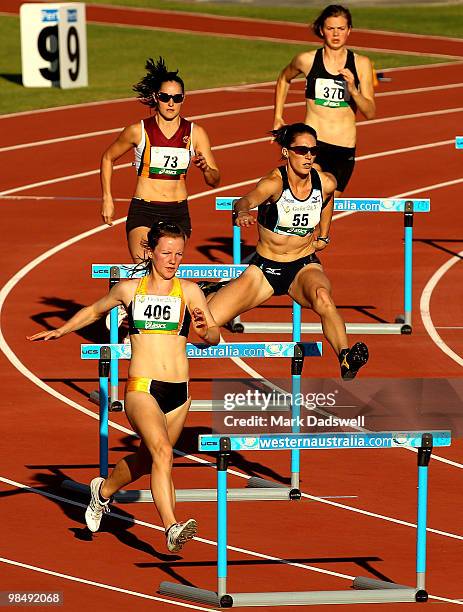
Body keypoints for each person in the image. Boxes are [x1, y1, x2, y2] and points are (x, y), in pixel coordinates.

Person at [28, 222, 220, 552]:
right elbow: (92, 310)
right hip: (143, 387)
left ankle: (101, 492)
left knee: (148, 461)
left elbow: (214, 335)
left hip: (179, 393)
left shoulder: (189, 291)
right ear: (151, 253)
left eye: (178, 254)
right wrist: (60, 330)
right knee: (162, 454)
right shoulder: (130, 290)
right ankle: (172, 527)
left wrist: (206, 331)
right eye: (166, 253)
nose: (173, 260)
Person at [205, 123, 368, 380]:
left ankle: (345, 357)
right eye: (302, 150)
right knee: (207, 326)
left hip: (302, 266)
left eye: (313, 150)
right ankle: (215, 289)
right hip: (265, 270)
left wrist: (324, 234)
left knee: (323, 297)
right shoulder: (274, 183)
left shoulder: (324, 182)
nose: (308, 156)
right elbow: (245, 200)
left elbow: (328, 200)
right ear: (285, 152)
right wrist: (244, 211)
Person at [101, 57, 220, 263]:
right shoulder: (138, 131)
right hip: (144, 210)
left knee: (166, 271)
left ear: (184, 98)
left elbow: (215, 180)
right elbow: (107, 158)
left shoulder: (196, 133)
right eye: (165, 97)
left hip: (177, 211)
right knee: (145, 267)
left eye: (177, 97)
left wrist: (205, 169)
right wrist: (107, 199)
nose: (171, 103)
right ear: (156, 97)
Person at [273, 4, 376, 198]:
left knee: (324, 213)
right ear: (322, 30)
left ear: (349, 31)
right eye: (330, 28)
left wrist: (353, 90)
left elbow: (370, 112)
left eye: (341, 29)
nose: (336, 34)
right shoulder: (307, 60)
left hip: (343, 148)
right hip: (314, 144)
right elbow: (284, 78)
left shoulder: (361, 64)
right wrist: (278, 116)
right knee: (314, 196)